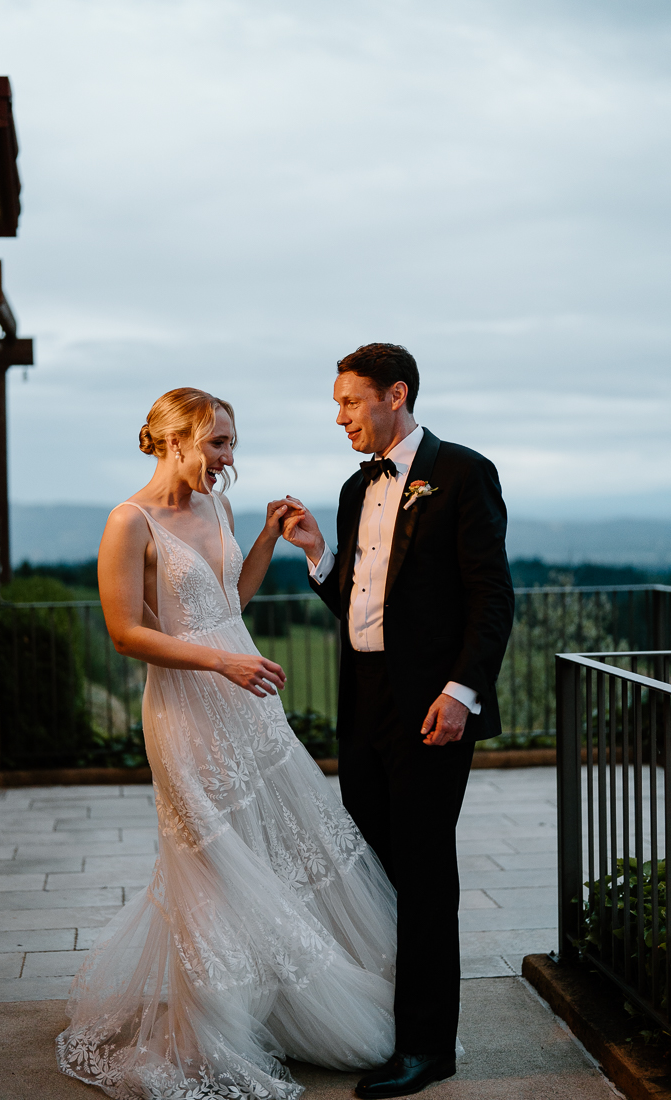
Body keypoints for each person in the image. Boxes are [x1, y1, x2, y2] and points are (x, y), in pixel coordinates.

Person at [57, 387, 398, 1100]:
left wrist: (269, 540)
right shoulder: (130, 522)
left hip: (248, 705)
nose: (228, 460)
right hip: (185, 710)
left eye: (231, 444)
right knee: (210, 866)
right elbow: (126, 633)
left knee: (268, 848)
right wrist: (221, 661)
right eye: (217, 444)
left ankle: (272, 1008)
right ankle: (211, 1038)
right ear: (173, 440)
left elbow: (225, 604)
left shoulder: (217, 506)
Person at [282, 344, 515, 1099]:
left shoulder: (462, 473)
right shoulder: (355, 492)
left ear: (396, 395)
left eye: (350, 402)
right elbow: (363, 609)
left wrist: (461, 691)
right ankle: (378, 1024)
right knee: (371, 869)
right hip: (365, 704)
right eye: (337, 405)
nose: (340, 417)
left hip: (428, 710)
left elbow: (491, 597)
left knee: (420, 874)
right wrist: (320, 559)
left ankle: (426, 1047)